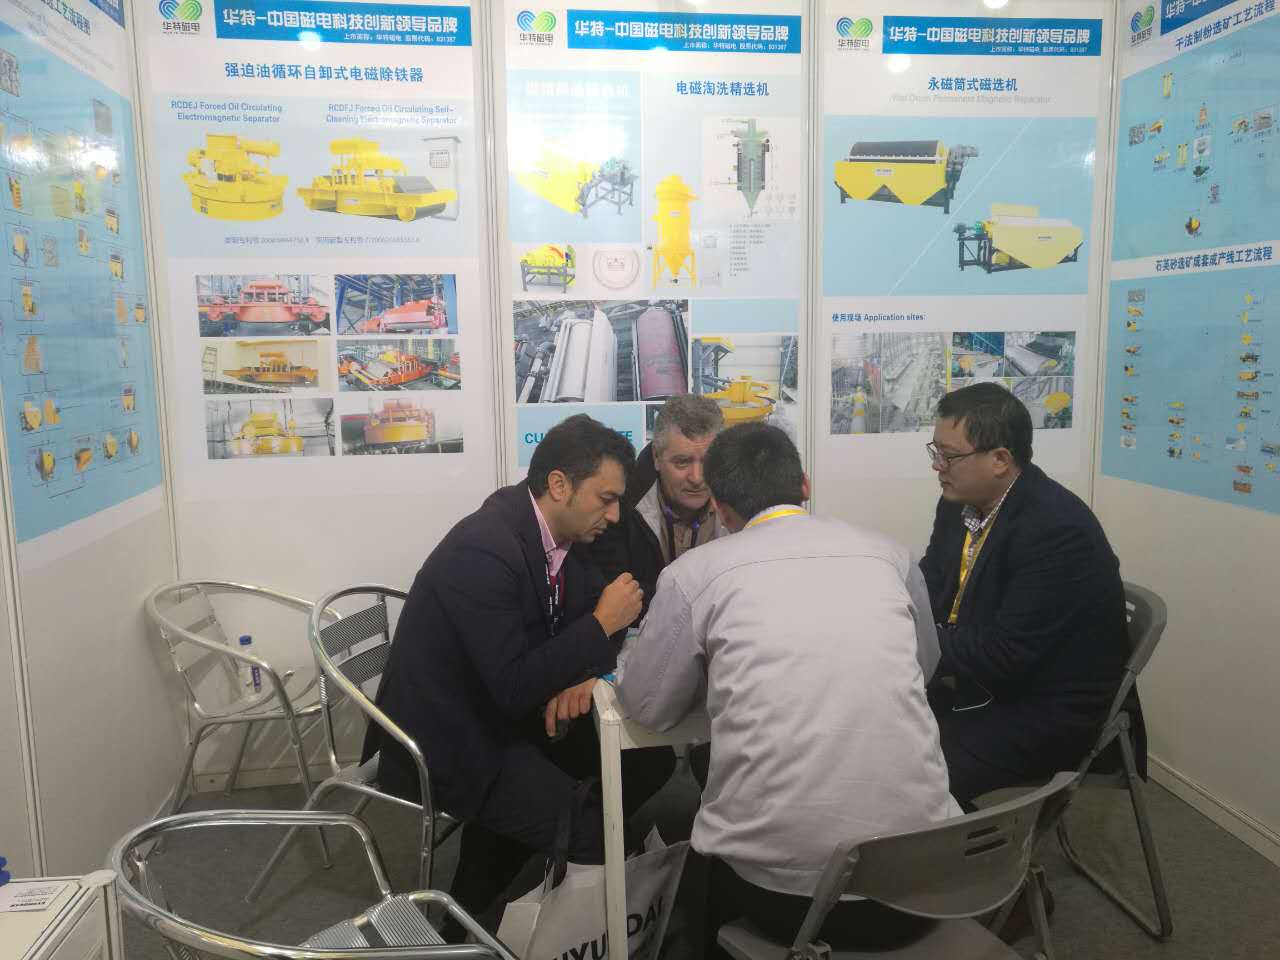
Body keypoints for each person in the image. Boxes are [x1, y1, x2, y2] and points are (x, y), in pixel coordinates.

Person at [618, 422, 959, 955]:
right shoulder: (889, 555)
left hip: (788, 901)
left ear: (721, 509)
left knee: (706, 875)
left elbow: (647, 708)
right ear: (804, 484)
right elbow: (925, 664)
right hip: (927, 888)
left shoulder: (696, 573)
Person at [363, 414, 675, 924]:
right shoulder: (484, 547)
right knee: (586, 826)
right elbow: (517, 682)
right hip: (451, 737)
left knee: (648, 762)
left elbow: (587, 629)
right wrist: (598, 626)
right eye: (606, 498)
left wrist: (584, 674)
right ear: (560, 485)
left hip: (509, 712)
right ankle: (481, 918)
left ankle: (516, 875)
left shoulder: (560, 538)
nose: (616, 515)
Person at [920, 382, 1142, 808]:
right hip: (982, 680)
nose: (938, 466)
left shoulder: (1057, 530)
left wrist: (915, 639)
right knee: (873, 728)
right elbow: (931, 583)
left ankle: (958, 847)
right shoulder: (957, 503)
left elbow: (1007, 652)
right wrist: (893, 615)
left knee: (912, 770)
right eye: (935, 451)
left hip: (1044, 709)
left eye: (949, 455)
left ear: (1000, 460)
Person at [589, 394, 727, 625]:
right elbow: (615, 599)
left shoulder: (744, 504)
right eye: (682, 462)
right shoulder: (618, 508)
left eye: (707, 462)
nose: (697, 478)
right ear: (656, 457)